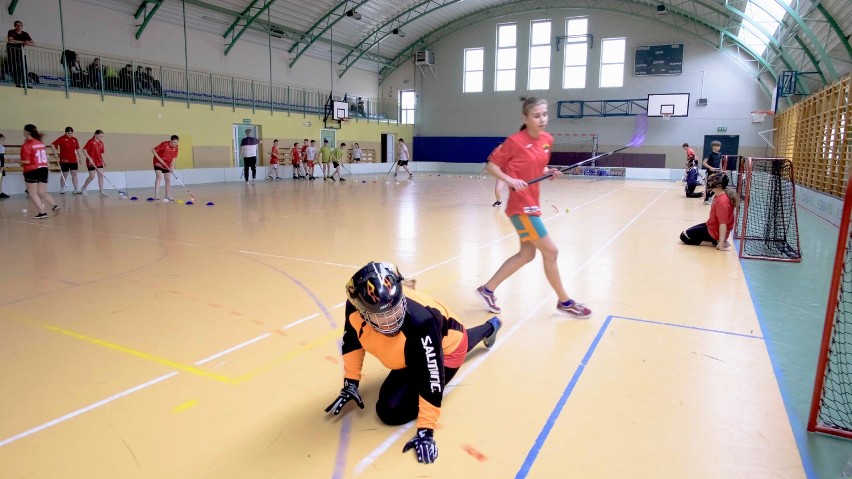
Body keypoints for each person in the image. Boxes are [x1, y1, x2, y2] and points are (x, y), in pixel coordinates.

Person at [325, 261, 502, 464]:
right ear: (362, 310)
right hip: (435, 335)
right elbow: (353, 339)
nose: (391, 320)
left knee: (390, 411)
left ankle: (489, 327)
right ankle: (491, 326)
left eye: (394, 309)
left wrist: (426, 430)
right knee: (455, 338)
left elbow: (432, 376)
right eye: (381, 316)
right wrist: (351, 383)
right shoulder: (355, 308)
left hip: (446, 346)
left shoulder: (421, 322)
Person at [475, 97, 591, 318]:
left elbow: (537, 167)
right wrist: (509, 180)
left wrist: (549, 172)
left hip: (533, 205)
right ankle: (565, 302)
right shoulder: (514, 141)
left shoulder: (547, 139)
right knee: (551, 251)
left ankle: (487, 289)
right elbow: (491, 166)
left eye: (545, 114)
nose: (542, 119)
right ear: (525, 118)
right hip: (521, 208)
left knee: (527, 254)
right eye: (537, 115)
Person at [679, 173, 738, 250]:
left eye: (711, 181)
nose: (709, 183)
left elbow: (723, 223)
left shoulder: (722, 201)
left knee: (684, 236)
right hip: (711, 226)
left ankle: (716, 242)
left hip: (714, 232)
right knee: (687, 232)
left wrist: (721, 242)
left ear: (717, 185)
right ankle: (718, 241)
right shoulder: (719, 195)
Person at [19, 125, 59, 219]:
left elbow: (27, 161)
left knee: (32, 193)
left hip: (32, 170)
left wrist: (15, 161)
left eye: (24, 131)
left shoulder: (27, 145)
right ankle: (54, 206)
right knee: (42, 192)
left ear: (27, 132)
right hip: (44, 168)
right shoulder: (40, 143)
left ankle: (42, 212)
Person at [50, 127, 82, 195]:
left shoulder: (74, 139)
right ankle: (62, 188)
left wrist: (80, 157)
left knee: (74, 174)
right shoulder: (61, 138)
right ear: (65, 132)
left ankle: (76, 189)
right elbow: (52, 145)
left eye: (71, 133)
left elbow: (78, 149)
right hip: (64, 160)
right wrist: (55, 154)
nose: (70, 134)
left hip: (73, 160)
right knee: (65, 174)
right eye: (68, 133)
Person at [6, 21, 34, 87]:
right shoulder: (11, 31)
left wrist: (27, 42)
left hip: (20, 52)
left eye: (20, 25)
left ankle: (26, 84)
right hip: (12, 52)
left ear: (22, 26)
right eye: (17, 25)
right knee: (15, 67)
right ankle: (17, 83)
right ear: (15, 26)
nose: (19, 27)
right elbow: (10, 40)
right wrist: (23, 42)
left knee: (24, 67)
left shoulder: (25, 34)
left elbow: (33, 43)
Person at [152, 135, 179, 201]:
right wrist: (160, 160)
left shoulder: (176, 148)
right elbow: (153, 150)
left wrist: (172, 167)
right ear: (171, 141)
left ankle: (168, 195)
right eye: (174, 142)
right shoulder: (164, 144)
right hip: (158, 163)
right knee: (159, 176)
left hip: (167, 164)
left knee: (168, 179)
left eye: (176, 143)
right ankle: (156, 195)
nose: (175, 144)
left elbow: (174, 158)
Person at [81, 130, 107, 196]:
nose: (101, 137)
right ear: (95, 135)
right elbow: (84, 150)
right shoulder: (91, 142)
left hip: (99, 161)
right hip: (91, 162)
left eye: (102, 136)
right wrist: (89, 158)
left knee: (100, 175)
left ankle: (101, 191)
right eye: (100, 136)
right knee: (92, 176)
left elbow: (101, 153)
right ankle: (84, 188)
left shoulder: (101, 143)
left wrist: (103, 160)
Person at [702, 140, 722, 205]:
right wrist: (710, 167)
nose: (719, 147)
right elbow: (704, 162)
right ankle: (706, 200)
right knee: (709, 186)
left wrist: (721, 169)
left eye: (719, 146)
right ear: (713, 147)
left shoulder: (720, 154)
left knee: (718, 185)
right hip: (710, 172)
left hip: (717, 172)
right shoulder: (709, 154)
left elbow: (720, 162)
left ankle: (710, 196)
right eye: (717, 146)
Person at [0, 134, 8, 199]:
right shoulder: (1, 147)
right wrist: (2, 166)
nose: (3, 141)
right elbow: (2, 157)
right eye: (2, 140)